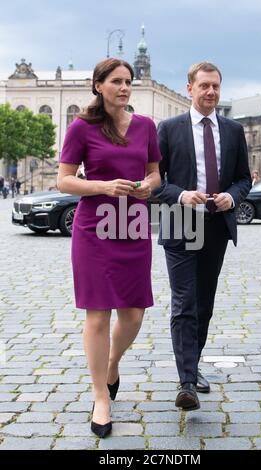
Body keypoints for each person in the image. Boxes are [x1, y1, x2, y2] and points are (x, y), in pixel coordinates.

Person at [57, 58, 161, 438]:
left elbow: (154, 172)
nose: (124, 87)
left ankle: (112, 363)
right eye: (116, 81)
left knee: (133, 315)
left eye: (128, 81)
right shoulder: (82, 127)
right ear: (98, 85)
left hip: (133, 225)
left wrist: (149, 184)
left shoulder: (146, 126)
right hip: (94, 229)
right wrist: (103, 186)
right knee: (98, 316)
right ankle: (101, 395)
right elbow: (64, 181)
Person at [153, 62, 251, 411]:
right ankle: (187, 383)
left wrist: (233, 197)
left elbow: (244, 178)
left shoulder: (234, 130)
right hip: (180, 222)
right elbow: (154, 182)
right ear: (190, 88)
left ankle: (192, 367)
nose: (211, 92)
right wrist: (180, 194)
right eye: (204, 86)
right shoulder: (168, 128)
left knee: (204, 304)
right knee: (184, 302)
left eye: (216, 87)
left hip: (216, 227)